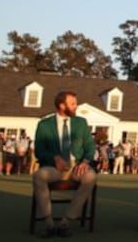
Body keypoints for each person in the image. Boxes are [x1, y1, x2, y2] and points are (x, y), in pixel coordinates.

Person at [32, 91, 97, 238]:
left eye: (76, 103)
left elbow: (90, 147)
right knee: (39, 176)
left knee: (90, 177)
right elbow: (39, 151)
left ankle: (65, 222)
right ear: (62, 105)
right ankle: (49, 224)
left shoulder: (81, 123)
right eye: (73, 103)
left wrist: (85, 162)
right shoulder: (44, 125)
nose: (76, 106)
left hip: (76, 167)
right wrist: (54, 158)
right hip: (55, 168)